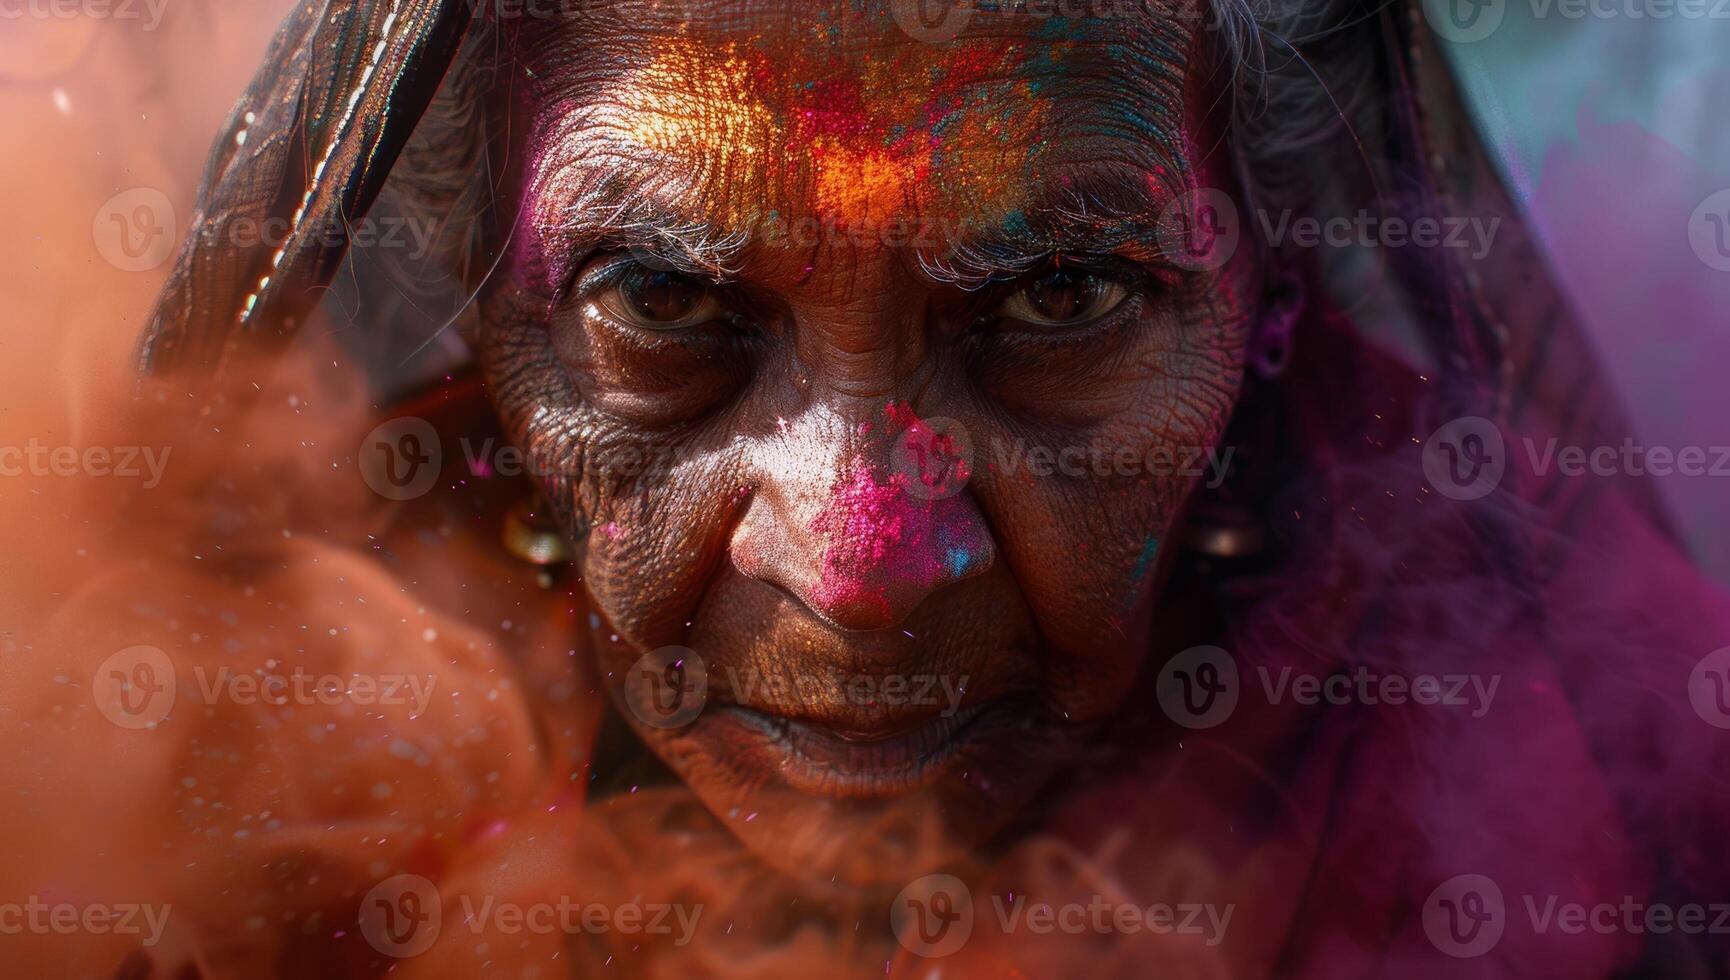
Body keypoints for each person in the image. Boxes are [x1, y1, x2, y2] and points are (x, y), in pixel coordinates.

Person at [8, 0, 1722, 975]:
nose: (867, 564)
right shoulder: (272, 724)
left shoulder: (1607, 769)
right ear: (485, 302)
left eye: (1056, 298)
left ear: (1270, 293)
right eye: (668, 305)